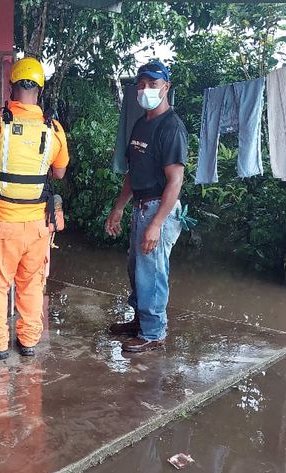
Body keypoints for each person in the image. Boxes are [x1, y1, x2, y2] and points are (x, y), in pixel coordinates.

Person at [0, 57, 69, 360]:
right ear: (40, 89)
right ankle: (28, 342)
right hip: (38, 225)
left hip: (2, 223)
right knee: (32, 284)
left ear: (11, 86)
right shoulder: (54, 129)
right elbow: (60, 173)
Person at [105, 60, 188, 353]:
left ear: (166, 87)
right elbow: (133, 172)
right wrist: (118, 208)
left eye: (153, 85)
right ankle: (141, 321)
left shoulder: (171, 127)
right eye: (141, 85)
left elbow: (175, 181)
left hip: (158, 209)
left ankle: (153, 332)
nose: (145, 90)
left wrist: (156, 223)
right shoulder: (142, 124)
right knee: (137, 268)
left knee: (152, 272)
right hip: (141, 206)